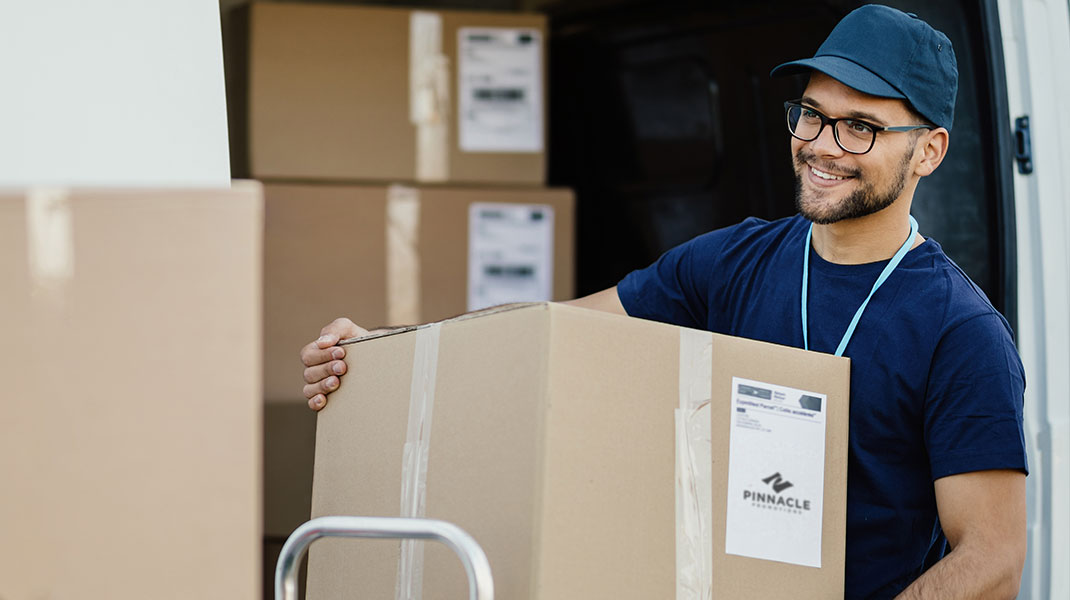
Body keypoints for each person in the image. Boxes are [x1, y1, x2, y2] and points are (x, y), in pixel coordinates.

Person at [298, 5, 1027, 599]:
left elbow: (992, 557)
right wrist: (384, 349)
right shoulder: (733, 260)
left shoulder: (959, 332)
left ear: (928, 151)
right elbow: (553, 330)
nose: (821, 145)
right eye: (810, 114)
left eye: (860, 126)